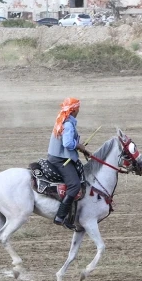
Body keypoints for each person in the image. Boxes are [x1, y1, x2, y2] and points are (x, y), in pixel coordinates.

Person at [47, 97, 91, 228]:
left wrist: (82, 149)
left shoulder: (62, 119)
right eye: (78, 108)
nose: (79, 110)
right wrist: (79, 146)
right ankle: (60, 217)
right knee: (74, 185)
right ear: (74, 110)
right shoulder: (68, 124)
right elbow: (67, 143)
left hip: (56, 156)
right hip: (60, 159)